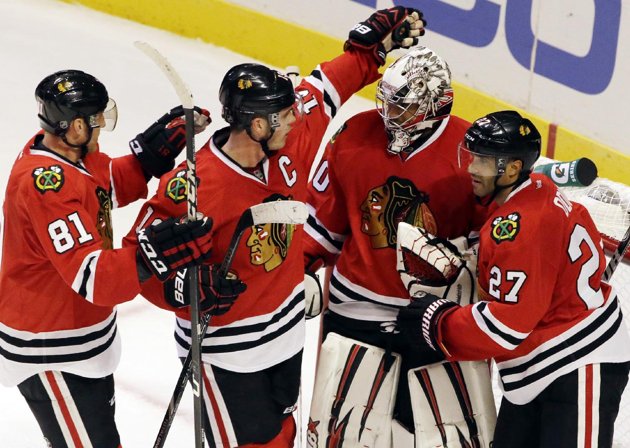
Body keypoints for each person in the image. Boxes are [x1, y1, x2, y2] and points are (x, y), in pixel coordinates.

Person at [122, 7, 426, 447]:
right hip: (227, 353)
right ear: (258, 124)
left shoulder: (288, 137)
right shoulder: (193, 187)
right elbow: (139, 260)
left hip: (286, 334)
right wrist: (180, 289)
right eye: (286, 114)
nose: (297, 119)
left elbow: (325, 88)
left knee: (285, 436)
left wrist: (371, 52)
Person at [0, 69, 217, 448]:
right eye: (96, 121)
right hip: (51, 347)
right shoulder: (45, 186)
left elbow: (104, 185)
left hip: (76, 336)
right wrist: (154, 254)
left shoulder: (64, 154)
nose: (101, 128)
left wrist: (150, 156)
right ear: (76, 127)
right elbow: (95, 279)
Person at [395, 110, 630, 447]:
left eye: (483, 160)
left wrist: (439, 322)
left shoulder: (520, 228)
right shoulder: (538, 187)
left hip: (580, 359)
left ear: (512, 169)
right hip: (536, 364)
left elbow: (507, 325)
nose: (472, 168)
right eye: (473, 156)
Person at [303, 45, 488, 445]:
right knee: (343, 434)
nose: (389, 114)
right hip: (353, 308)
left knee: (441, 435)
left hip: (434, 316)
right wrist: (295, 271)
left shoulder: (473, 155)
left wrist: (461, 270)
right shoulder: (353, 133)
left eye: (403, 106)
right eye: (386, 101)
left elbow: (488, 247)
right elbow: (322, 223)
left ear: (437, 105)